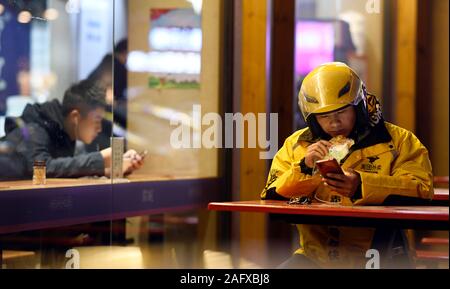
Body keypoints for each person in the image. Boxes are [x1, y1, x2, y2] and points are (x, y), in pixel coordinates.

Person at [261, 62, 433, 269]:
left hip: (380, 257)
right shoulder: (297, 144)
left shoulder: (399, 140)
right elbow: (271, 196)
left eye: (342, 112)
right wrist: (305, 168)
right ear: (312, 118)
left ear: (358, 107)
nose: (334, 123)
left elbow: (422, 189)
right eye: (324, 116)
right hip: (315, 258)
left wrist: (361, 186)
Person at [2, 79, 143, 179]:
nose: (99, 129)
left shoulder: (66, 133)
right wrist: (101, 157)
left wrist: (115, 168)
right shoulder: (35, 128)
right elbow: (41, 169)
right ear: (75, 116)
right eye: (97, 120)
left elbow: (68, 169)